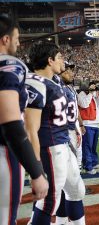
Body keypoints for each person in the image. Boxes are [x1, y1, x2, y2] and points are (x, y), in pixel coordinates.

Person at [25, 41, 86, 224]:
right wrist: (34, 166)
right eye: (59, 58)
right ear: (50, 60)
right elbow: (30, 129)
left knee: (76, 191)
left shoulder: (55, 80)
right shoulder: (34, 84)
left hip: (63, 143)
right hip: (50, 147)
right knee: (49, 201)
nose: (64, 62)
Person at [0, 15, 48, 225]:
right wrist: (36, 172)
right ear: (5, 39)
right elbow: (10, 124)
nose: (19, 43)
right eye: (17, 37)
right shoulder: (9, 65)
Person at [54, 61, 87, 224]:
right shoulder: (55, 86)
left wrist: (79, 125)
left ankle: (61, 220)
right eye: (68, 70)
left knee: (71, 183)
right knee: (58, 186)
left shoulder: (69, 88)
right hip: (61, 136)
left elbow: (75, 110)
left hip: (71, 132)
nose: (71, 73)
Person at [78, 80, 99, 174]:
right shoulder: (82, 93)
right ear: (90, 86)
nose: (96, 88)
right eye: (95, 86)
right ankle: (88, 166)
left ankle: (94, 163)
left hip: (96, 124)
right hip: (87, 124)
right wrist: (90, 92)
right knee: (87, 146)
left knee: (93, 146)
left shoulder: (96, 95)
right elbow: (84, 104)